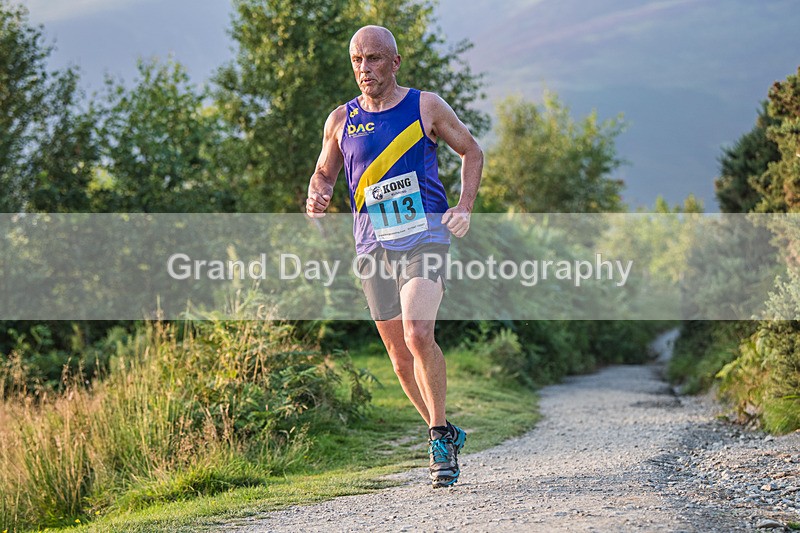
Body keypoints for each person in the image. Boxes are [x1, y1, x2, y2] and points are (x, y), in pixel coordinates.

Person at [305, 25, 483, 488]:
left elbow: (471, 150)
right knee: (399, 356)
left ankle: (439, 441)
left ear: (395, 62)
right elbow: (324, 174)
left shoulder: (425, 106)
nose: (365, 69)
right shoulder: (339, 120)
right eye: (358, 60)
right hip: (372, 247)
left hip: (424, 236)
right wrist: (317, 195)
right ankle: (442, 430)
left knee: (418, 331)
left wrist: (463, 207)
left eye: (375, 59)